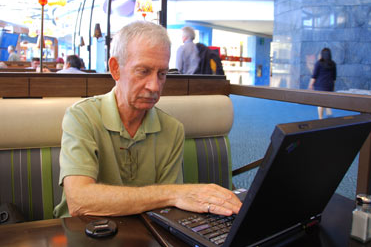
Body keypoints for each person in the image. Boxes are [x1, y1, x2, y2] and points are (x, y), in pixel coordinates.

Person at [53, 21, 241, 218]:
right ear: (115, 68)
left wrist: (172, 196)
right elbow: (79, 201)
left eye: (162, 74)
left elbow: (168, 209)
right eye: (143, 71)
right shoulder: (82, 117)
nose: (154, 86)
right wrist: (174, 193)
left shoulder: (172, 129)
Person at [308, 47, 337, 119]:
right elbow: (334, 77)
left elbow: (314, 75)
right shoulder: (333, 64)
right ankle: (329, 115)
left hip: (320, 85)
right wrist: (333, 86)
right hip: (329, 86)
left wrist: (311, 84)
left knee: (320, 103)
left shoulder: (318, 63)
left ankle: (320, 118)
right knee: (327, 101)